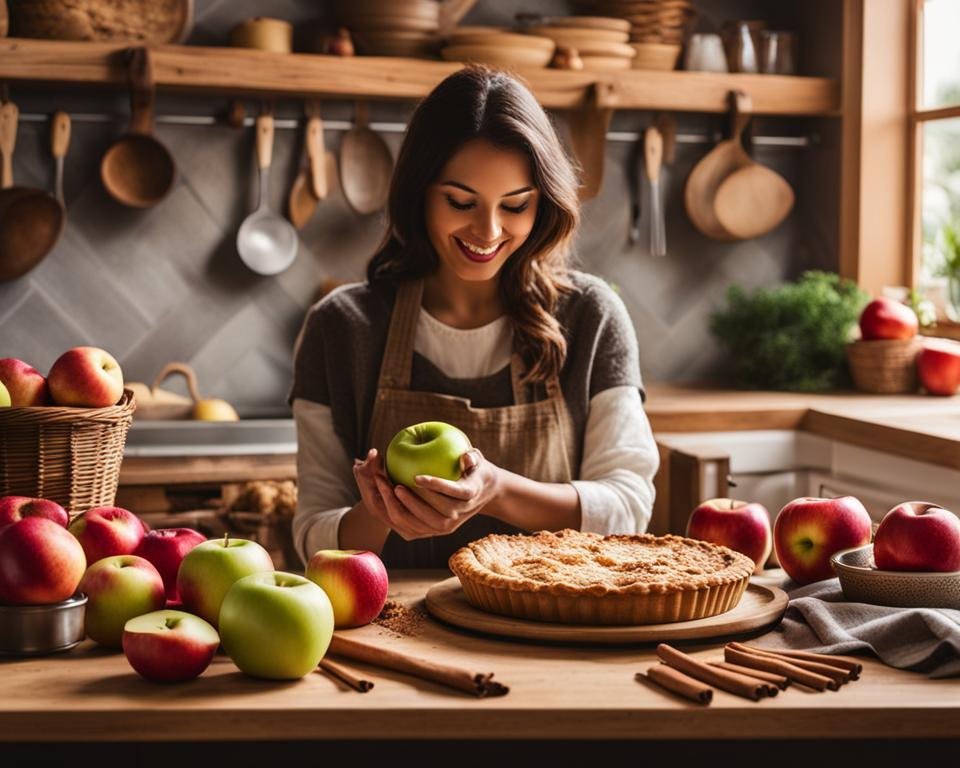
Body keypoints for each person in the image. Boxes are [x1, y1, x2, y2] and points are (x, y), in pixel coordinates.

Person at [289, 66, 659, 569]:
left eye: (515, 205)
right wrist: (381, 512)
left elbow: (629, 511)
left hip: (552, 630)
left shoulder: (590, 317)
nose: (487, 230)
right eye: (461, 201)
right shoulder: (342, 327)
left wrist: (498, 491)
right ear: (419, 192)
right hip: (394, 632)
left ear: (542, 203)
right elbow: (313, 538)